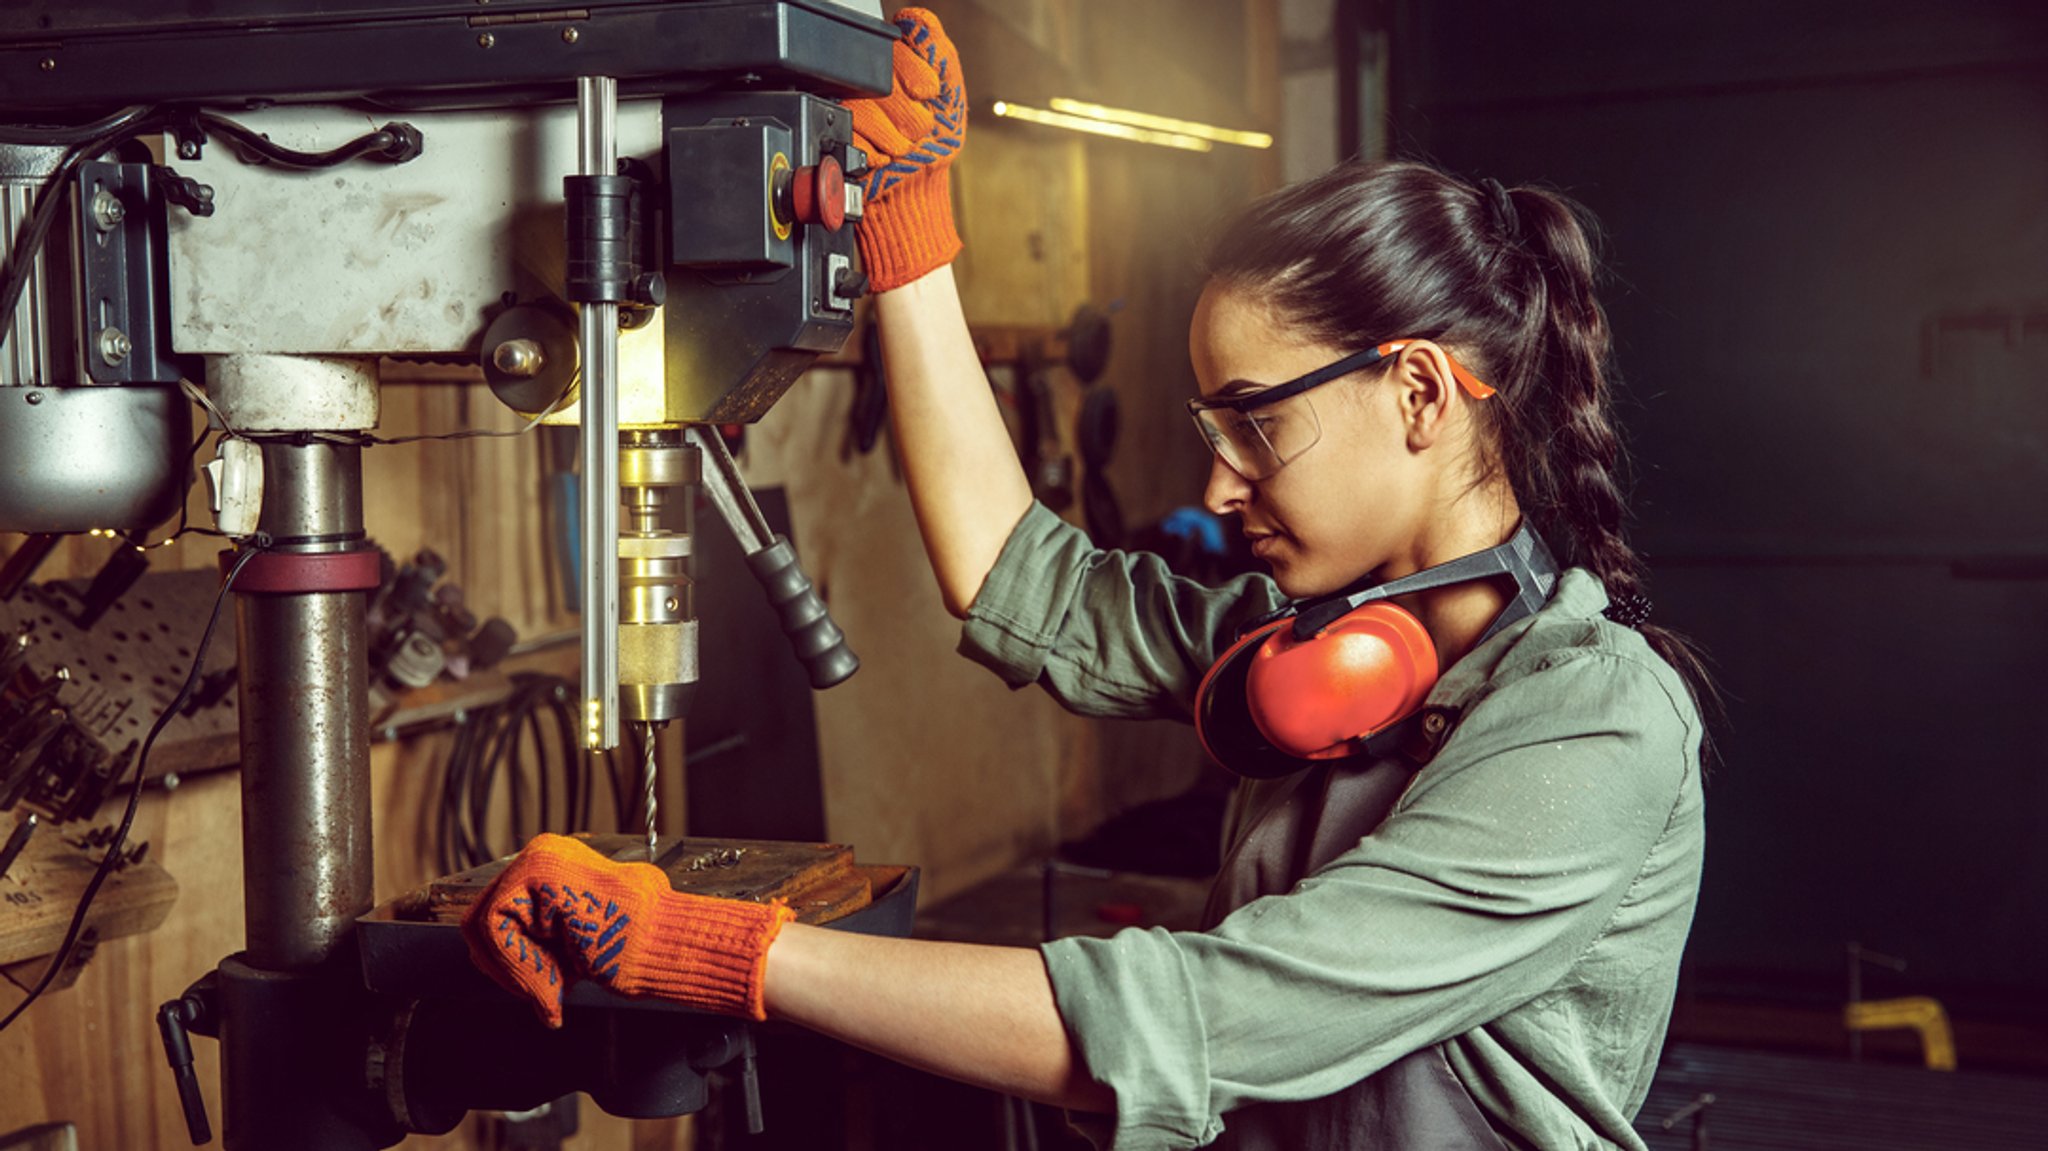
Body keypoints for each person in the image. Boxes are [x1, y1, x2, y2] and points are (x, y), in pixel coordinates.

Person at [463, 9, 1709, 1149]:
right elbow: (1016, 573)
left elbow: (1204, 1017)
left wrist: (711, 944)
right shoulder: (1309, 642)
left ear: (1421, 393)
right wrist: (906, 237)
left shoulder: (1592, 722)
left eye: (1251, 426)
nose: (1218, 489)